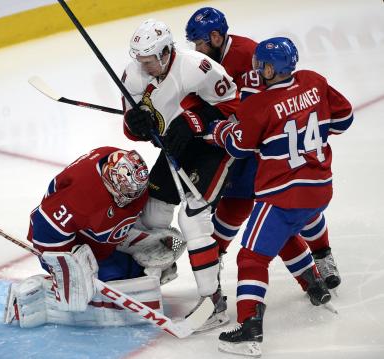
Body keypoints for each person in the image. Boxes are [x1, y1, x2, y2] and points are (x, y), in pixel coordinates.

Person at [207, 37, 353, 356]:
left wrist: (217, 130)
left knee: (252, 257)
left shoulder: (258, 105)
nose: (257, 70)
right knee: (286, 232)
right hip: (319, 188)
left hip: (281, 195)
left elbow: (238, 146)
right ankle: (314, 281)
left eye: (261, 65)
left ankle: (249, 329)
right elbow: (344, 120)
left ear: (272, 68)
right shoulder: (314, 81)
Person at [186, 7, 341, 290]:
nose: (196, 49)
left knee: (290, 212)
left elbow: (270, 104)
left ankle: (322, 256)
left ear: (216, 37)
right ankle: (215, 265)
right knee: (237, 211)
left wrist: (233, 125)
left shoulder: (250, 54)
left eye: (199, 43)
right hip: (240, 145)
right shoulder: (198, 63)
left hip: (264, 148)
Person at [122, 18, 240, 330]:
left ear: (164, 53)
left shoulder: (198, 67)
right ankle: (151, 275)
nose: (144, 67)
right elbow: (132, 125)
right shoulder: (133, 75)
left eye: (150, 61)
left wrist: (194, 121)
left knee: (193, 218)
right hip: (176, 147)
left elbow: (235, 108)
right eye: (141, 61)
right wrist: (136, 124)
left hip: (213, 147)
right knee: (154, 213)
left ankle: (213, 302)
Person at [4, 147, 185, 328]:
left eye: (132, 194)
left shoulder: (127, 175)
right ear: (109, 178)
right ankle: (40, 296)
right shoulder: (82, 195)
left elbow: (119, 215)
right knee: (98, 286)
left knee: (133, 273)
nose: (128, 198)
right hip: (69, 244)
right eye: (125, 193)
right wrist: (70, 268)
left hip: (96, 236)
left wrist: (141, 238)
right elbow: (45, 226)